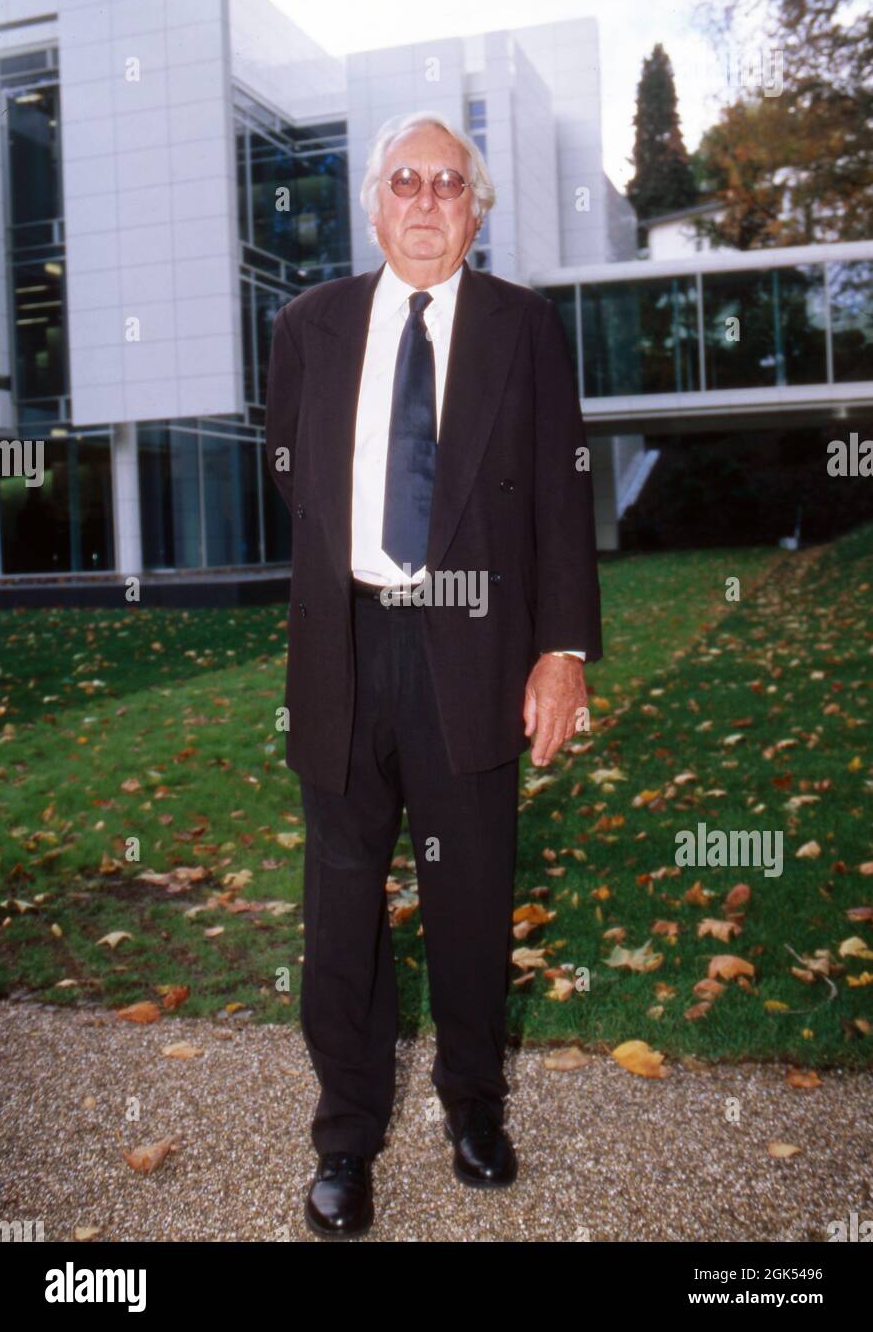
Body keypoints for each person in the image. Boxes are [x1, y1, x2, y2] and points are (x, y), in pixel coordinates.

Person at [265, 109, 602, 1239]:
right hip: (344, 652)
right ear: (372, 203)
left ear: (476, 207)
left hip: (473, 653)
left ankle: (473, 1107)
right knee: (341, 908)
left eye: (446, 183)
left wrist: (560, 650)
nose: (422, 199)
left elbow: (562, 497)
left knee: (467, 901)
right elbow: (292, 475)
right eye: (402, 180)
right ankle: (344, 1138)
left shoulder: (524, 329)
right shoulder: (307, 326)